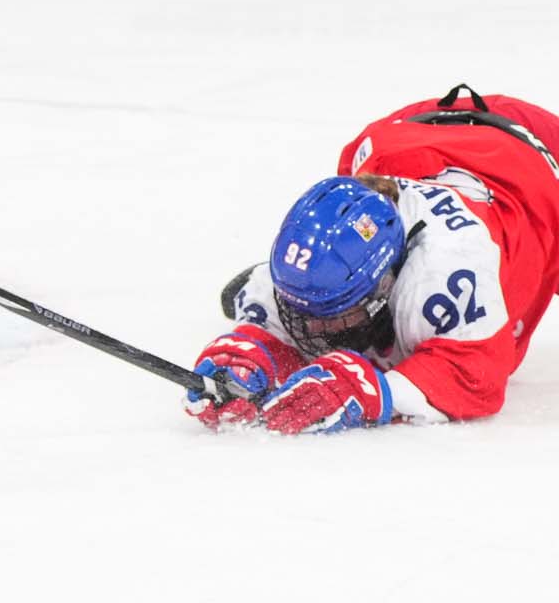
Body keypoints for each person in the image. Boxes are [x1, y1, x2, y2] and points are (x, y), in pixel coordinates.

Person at [185, 86, 559, 434]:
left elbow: (475, 373)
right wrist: (252, 353)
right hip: (407, 134)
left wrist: (374, 392)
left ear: (387, 282)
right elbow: (291, 300)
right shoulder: (331, 242)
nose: (311, 330)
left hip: (542, 155)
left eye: (330, 313)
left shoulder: (449, 262)